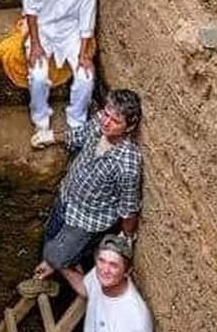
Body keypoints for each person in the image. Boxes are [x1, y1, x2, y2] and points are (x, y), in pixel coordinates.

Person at [19, 90, 143, 292]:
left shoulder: (127, 164)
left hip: (86, 220)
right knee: (50, 236)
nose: (106, 122)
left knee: (55, 256)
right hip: (66, 198)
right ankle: (55, 271)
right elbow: (78, 135)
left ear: (129, 126)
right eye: (106, 114)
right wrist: (50, 137)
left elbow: (128, 208)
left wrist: (127, 237)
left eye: (115, 121)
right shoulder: (98, 124)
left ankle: (96, 296)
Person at [20, 0, 98, 146]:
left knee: (86, 77)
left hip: (71, 31)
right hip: (42, 27)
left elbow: (87, 13)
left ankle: (76, 124)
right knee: (37, 75)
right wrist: (35, 43)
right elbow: (31, 6)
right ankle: (41, 120)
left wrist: (84, 53)